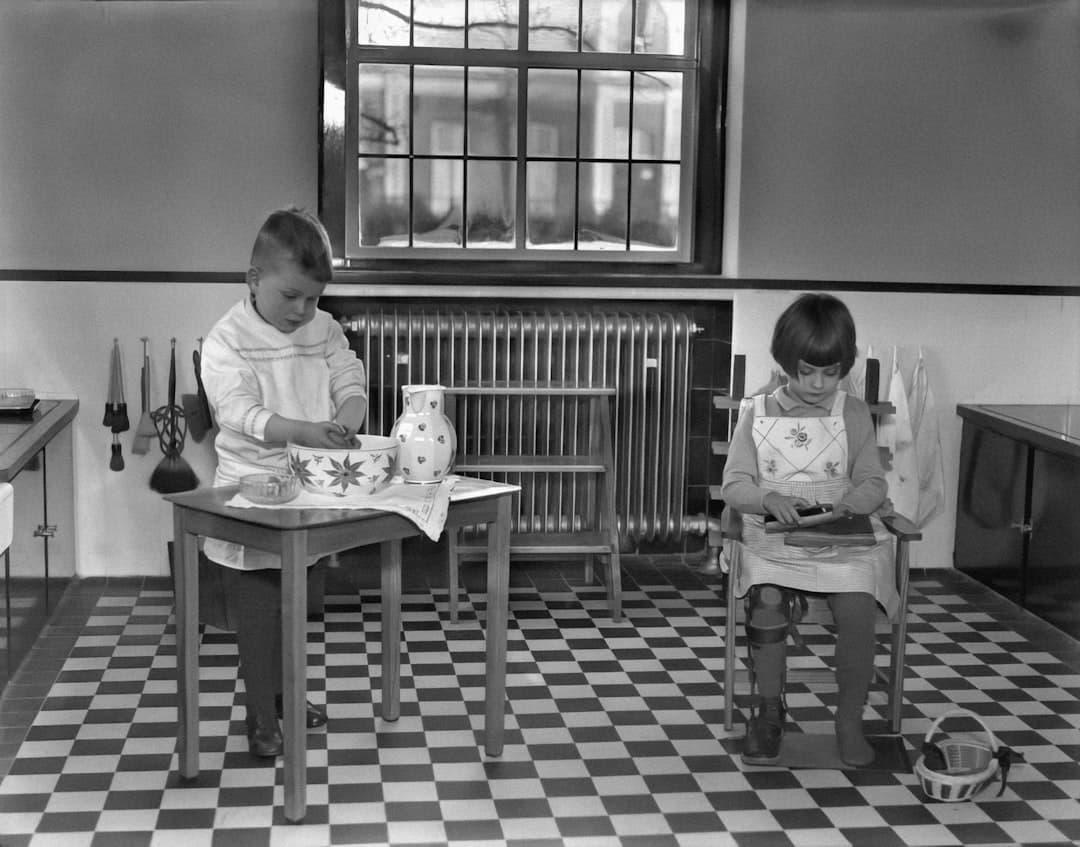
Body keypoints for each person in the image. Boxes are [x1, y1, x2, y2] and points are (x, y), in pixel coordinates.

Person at [200, 206, 367, 757]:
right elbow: (239, 414)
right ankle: (260, 715)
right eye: (291, 296)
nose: (303, 310)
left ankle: (283, 696)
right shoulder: (228, 340)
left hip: (311, 489)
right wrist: (305, 431)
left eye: (314, 299)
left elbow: (348, 374)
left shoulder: (322, 328)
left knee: (295, 604)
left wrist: (348, 417)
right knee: (259, 609)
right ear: (254, 280)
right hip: (249, 492)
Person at [720, 293, 898, 768]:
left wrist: (848, 505)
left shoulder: (855, 413)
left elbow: (872, 480)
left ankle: (848, 719)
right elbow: (734, 484)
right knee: (768, 603)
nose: (818, 384)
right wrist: (768, 498)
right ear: (784, 363)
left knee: (859, 608)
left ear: (845, 368)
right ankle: (769, 712)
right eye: (806, 372)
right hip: (774, 538)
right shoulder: (755, 412)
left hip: (840, 538)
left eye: (830, 372)